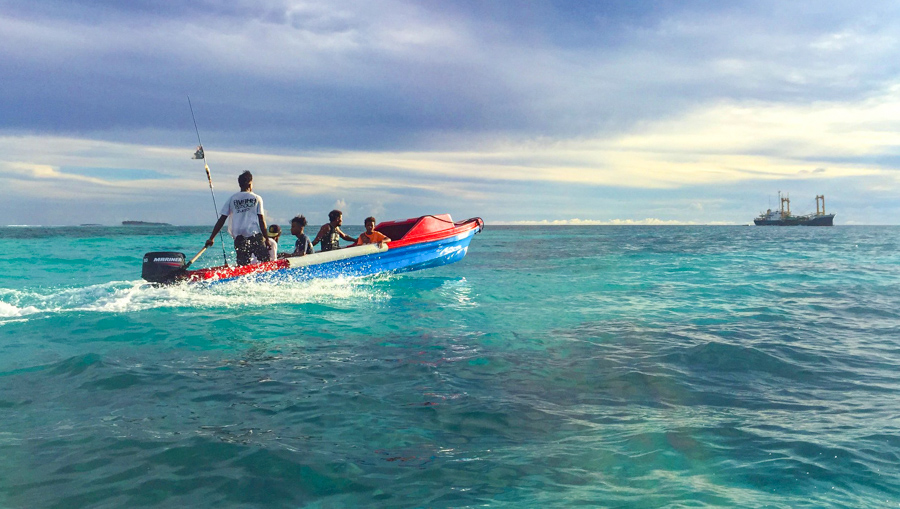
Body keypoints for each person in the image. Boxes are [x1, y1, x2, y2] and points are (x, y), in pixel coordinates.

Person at [205, 171, 269, 266]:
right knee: (265, 261)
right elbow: (261, 220)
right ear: (250, 183)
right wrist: (266, 238)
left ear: (239, 184)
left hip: (239, 237)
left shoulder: (232, 199)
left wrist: (212, 238)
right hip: (254, 235)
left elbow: (222, 220)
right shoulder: (256, 198)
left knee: (242, 265)